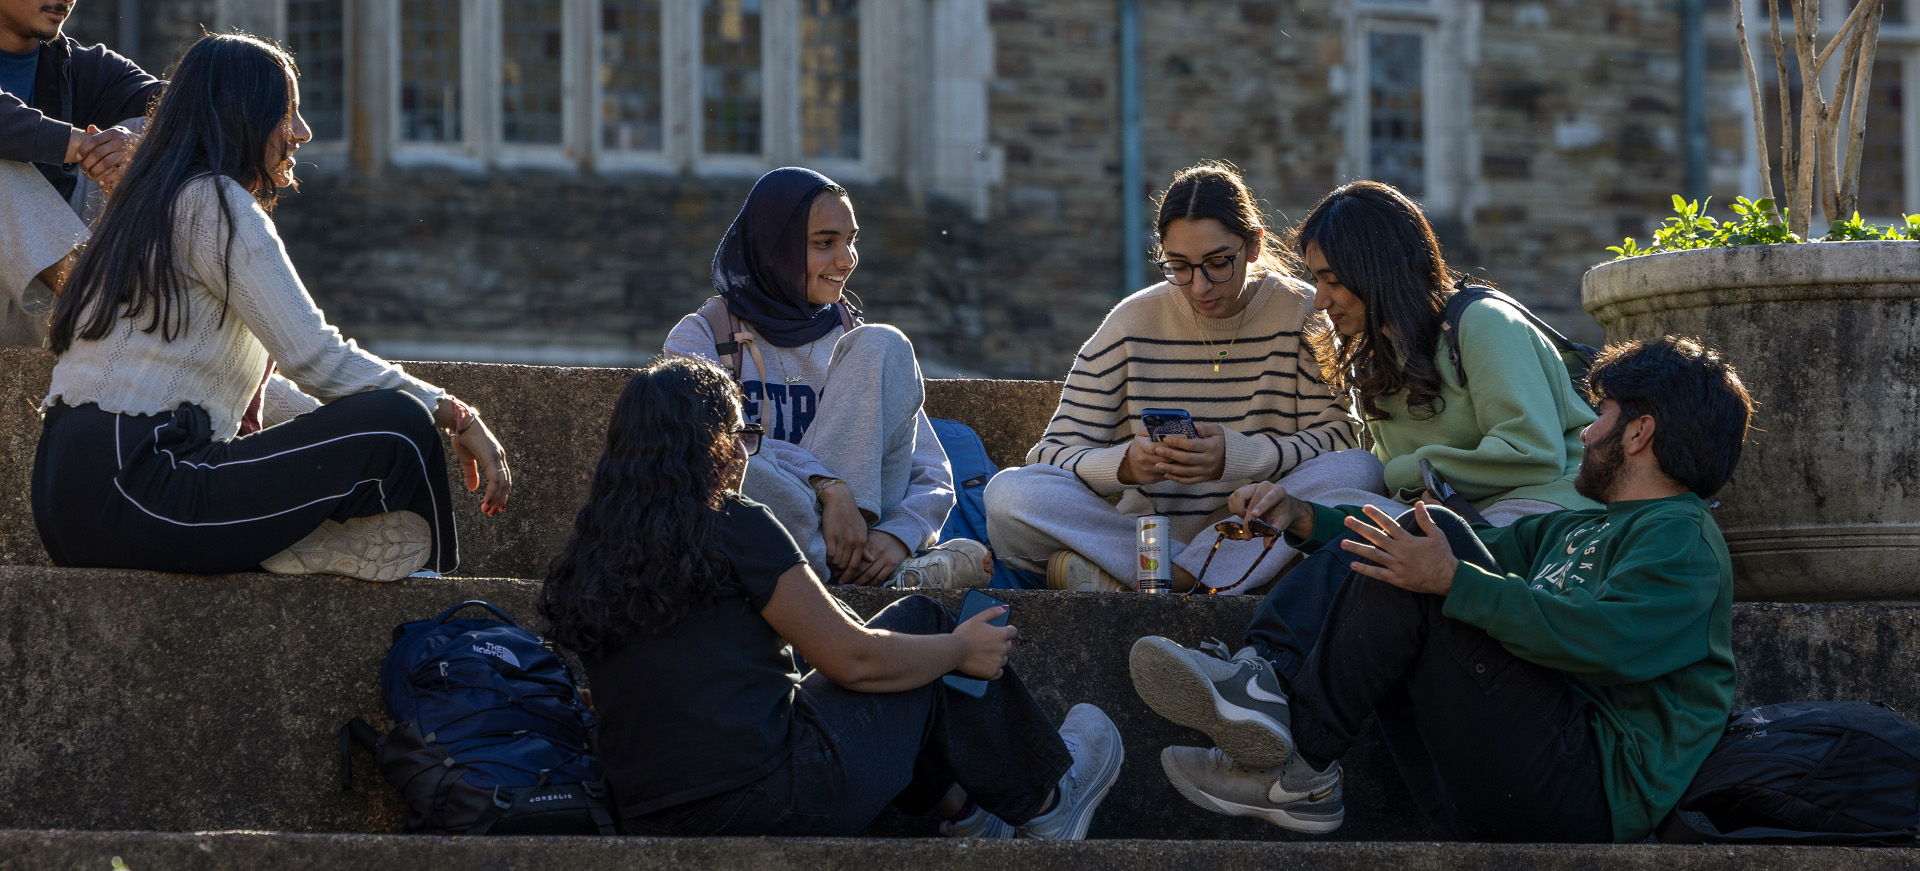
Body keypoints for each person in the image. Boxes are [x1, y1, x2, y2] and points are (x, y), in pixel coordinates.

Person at [1127, 337, 1753, 843]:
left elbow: (1608, 642)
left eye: (1602, 415)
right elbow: (1445, 549)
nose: (1586, 433)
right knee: (1428, 530)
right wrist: (1300, 517)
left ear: (1639, 433)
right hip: (1502, 771)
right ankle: (1261, 676)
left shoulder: (1683, 539)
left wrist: (1454, 580)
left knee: (1435, 552)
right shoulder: (1583, 528)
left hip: (1587, 795)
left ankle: (1302, 769)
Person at [537, 357, 1123, 839]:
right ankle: (1049, 800)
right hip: (773, 800)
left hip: (647, 819)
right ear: (711, 445)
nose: (747, 456)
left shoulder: (591, 554)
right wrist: (958, 649)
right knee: (920, 621)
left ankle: (967, 814)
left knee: (878, 659)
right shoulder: (730, 522)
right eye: (742, 437)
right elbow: (853, 660)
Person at [31, 33, 511, 581]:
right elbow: (319, 358)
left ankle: (303, 542)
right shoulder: (215, 201)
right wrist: (454, 413)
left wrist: (332, 438)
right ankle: (441, 620)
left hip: (69, 501)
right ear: (242, 115)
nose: (303, 132)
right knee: (402, 426)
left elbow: (251, 384)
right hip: (144, 482)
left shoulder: (145, 206)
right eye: (287, 113)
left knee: (375, 423)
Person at [985, 161, 1369, 595]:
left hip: (1253, 527)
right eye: (1179, 266)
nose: (1200, 286)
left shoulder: (1303, 313)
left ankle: (1155, 577)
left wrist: (1238, 458)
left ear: (1254, 246)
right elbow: (1051, 454)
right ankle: (1197, 574)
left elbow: (1338, 439)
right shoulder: (1131, 322)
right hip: (1144, 534)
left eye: (1218, 263)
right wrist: (1125, 466)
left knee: (1360, 472)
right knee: (1010, 494)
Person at [665, 166, 984, 589]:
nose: (846, 259)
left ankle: (854, 567)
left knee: (885, 341)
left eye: (851, 240)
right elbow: (715, 453)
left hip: (862, 529)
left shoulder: (856, 340)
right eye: (824, 243)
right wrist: (826, 487)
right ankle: (853, 576)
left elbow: (929, 467)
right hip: (770, 525)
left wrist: (899, 536)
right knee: (728, 455)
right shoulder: (703, 334)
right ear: (773, 246)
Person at [1294, 180, 1600, 525]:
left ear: (1378, 272)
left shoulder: (1484, 322)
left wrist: (1411, 473)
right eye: (1316, 281)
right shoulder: (1373, 358)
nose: (1320, 301)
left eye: (1332, 281)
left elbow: (1532, 454)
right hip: (1453, 511)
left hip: (1542, 502)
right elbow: (1399, 485)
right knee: (1329, 511)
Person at [1, 0, 164, 346]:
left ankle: (155, 311)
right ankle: (99, 310)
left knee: (148, 134)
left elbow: (189, 106)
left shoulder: (81, 64)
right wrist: (82, 144)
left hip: (46, 302)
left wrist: (133, 143)